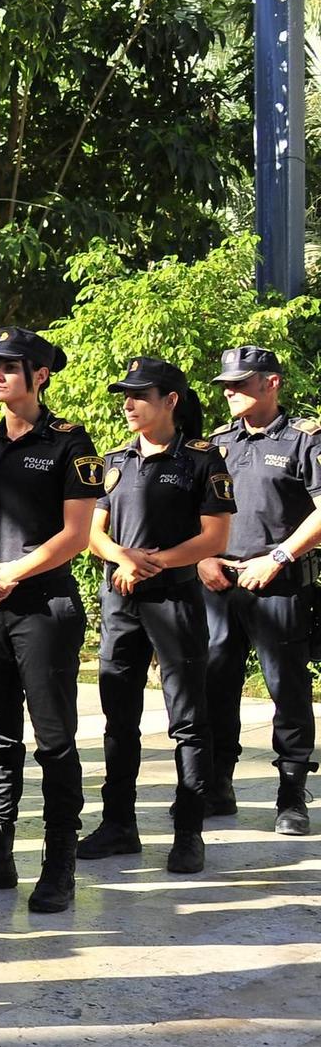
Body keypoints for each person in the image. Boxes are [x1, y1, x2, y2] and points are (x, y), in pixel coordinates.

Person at [0, 328, 100, 912]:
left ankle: (59, 859)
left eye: (10, 367)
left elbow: (76, 534)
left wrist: (11, 572)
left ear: (40, 374)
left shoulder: (70, 443)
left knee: (54, 737)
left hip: (43, 607)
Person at [82, 356, 232, 875]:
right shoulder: (113, 459)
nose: (128, 403)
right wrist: (122, 557)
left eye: (140, 394)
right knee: (118, 718)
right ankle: (118, 824)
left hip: (174, 600)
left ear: (170, 401)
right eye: (125, 394)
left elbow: (214, 538)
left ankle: (189, 831)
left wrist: (151, 564)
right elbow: (93, 532)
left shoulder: (202, 459)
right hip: (120, 600)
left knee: (188, 720)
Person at [202, 346, 321, 837]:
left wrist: (278, 558)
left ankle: (291, 793)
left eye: (241, 383)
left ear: (271, 384)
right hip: (218, 583)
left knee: (286, 689)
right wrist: (203, 557)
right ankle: (217, 784)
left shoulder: (304, 441)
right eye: (226, 385)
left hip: (279, 585)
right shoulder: (216, 444)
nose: (230, 392)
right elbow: (196, 510)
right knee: (215, 686)